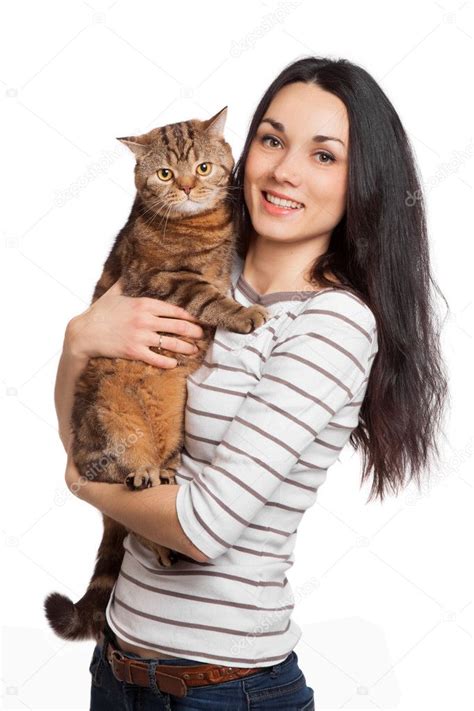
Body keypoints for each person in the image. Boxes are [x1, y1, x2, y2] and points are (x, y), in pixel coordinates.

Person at [56, 56, 448, 710]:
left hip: (226, 691)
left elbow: (203, 527)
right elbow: (96, 416)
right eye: (272, 139)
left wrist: (76, 480)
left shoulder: (333, 324)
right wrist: (80, 339)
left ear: (365, 180)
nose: (285, 170)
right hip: (117, 668)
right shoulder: (203, 263)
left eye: (324, 156)